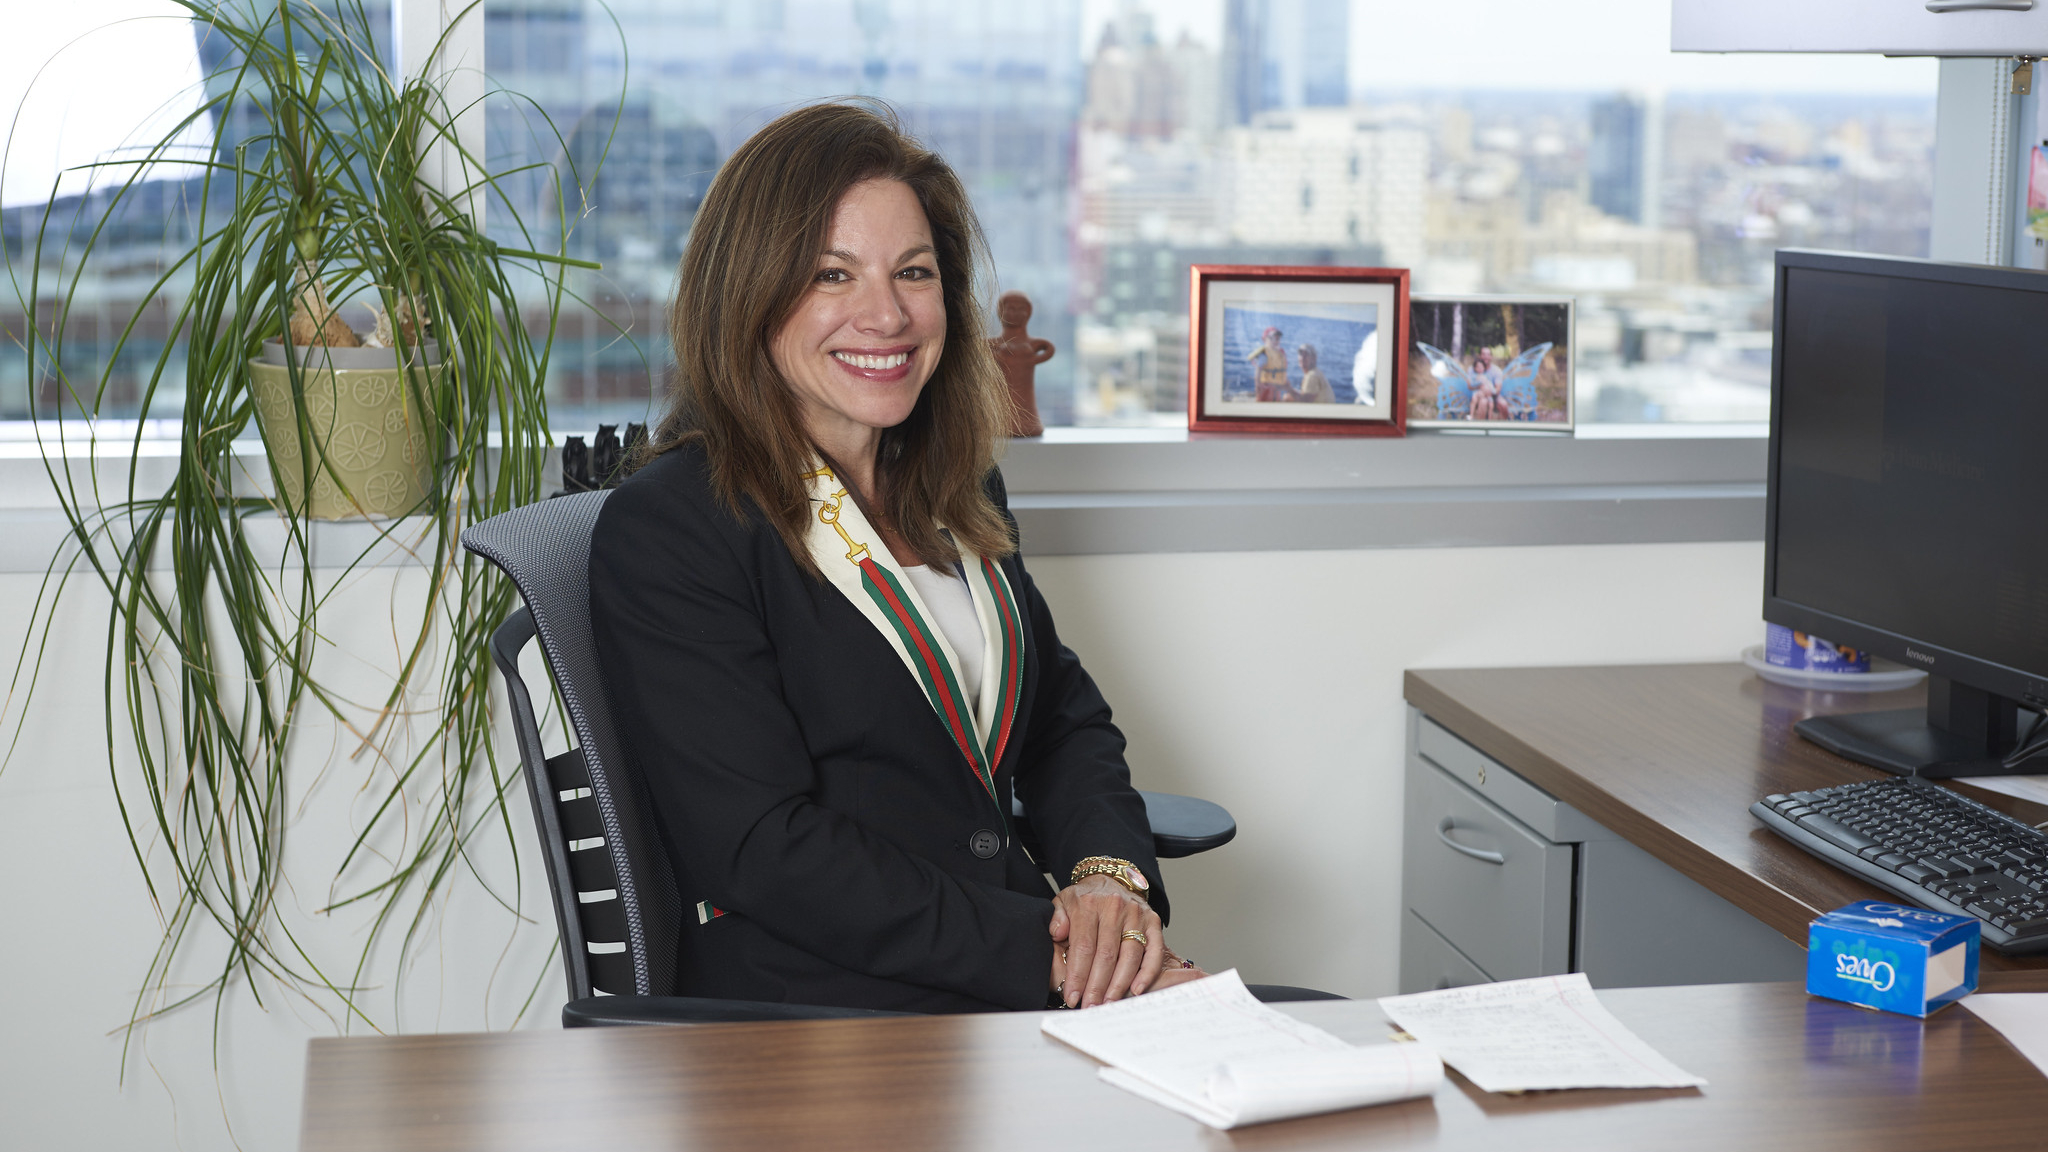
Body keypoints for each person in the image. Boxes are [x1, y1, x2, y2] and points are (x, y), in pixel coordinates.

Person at [587, 103, 1207, 1015]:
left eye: (913, 273)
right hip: (829, 1024)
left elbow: (1061, 721)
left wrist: (1111, 884)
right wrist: (1054, 957)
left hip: (1004, 990)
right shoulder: (678, 527)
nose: (886, 314)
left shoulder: (957, 491)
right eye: (831, 274)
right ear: (748, 293)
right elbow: (765, 849)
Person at [1246, 326, 1288, 401]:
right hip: (1265, 386)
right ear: (1265, 339)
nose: (1275, 340)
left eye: (1277, 338)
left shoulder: (1280, 354)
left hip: (1276, 387)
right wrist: (1258, 386)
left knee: (1276, 401)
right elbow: (1258, 372)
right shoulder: (1264, 354)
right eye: (1272, 338)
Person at [1466, 347, 1504, 420]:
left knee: (1503, 404)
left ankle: (1504, 426)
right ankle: (1482, 427)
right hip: (1478, 395)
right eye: (1483, 354)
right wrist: (1480, 387)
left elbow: (1497, 389)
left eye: (1488, 354)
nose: (1486, 357)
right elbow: (1470, 386)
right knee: (1483, 402)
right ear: (1479, 356)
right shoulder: (1472, 369)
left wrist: (1488, 391)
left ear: (1491, 357)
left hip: (1492, 395)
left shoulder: (1496, 371)